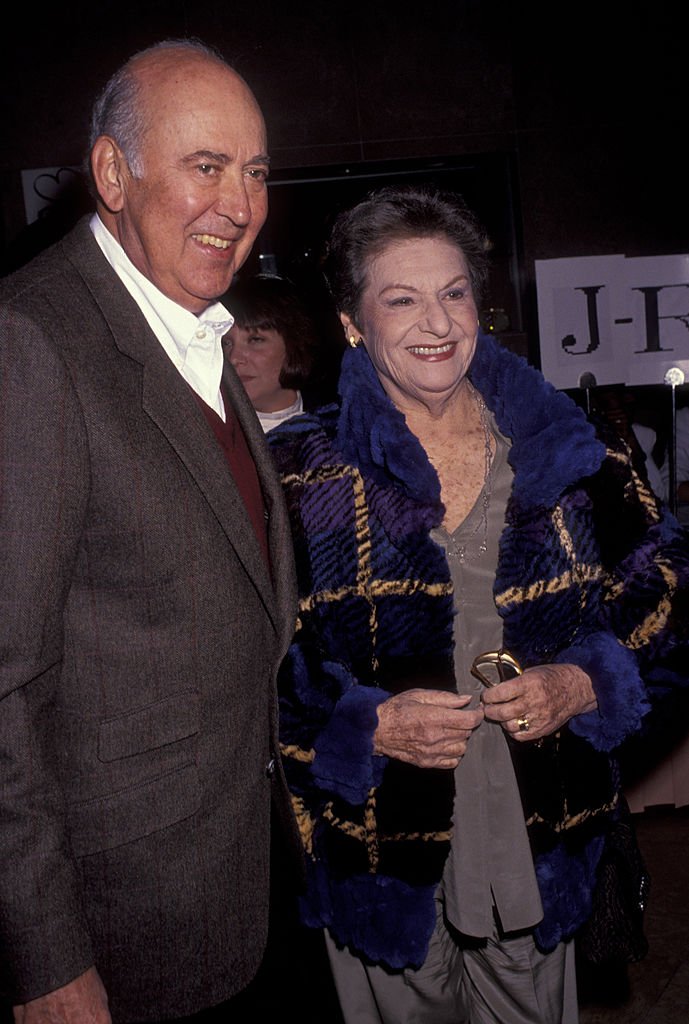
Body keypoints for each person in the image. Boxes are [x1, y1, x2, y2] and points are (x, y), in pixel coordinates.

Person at [267, 185, 689, 1024]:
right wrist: (361, 726)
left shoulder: (576, 452)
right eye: (401, 299)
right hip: (380, 842)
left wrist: (586, 681)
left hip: (539, 833)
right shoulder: (294, 473)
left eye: (453, 293)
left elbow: (672, 605)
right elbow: (240, 659)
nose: (436, 322)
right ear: (352, 322)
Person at [0, 39, 299, 1024]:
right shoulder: (35, 342)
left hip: (241, 885)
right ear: (112, 174)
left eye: (254, 172)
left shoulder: (190, 325)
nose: (239, 203)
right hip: (121, 937)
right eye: (205, 166)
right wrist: (45, 961)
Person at [224, 273, 326, 431]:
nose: (233, 358)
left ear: (294, 344)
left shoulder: (339, 425)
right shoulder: (213, 433)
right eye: (227, 343)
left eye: (255, 340)